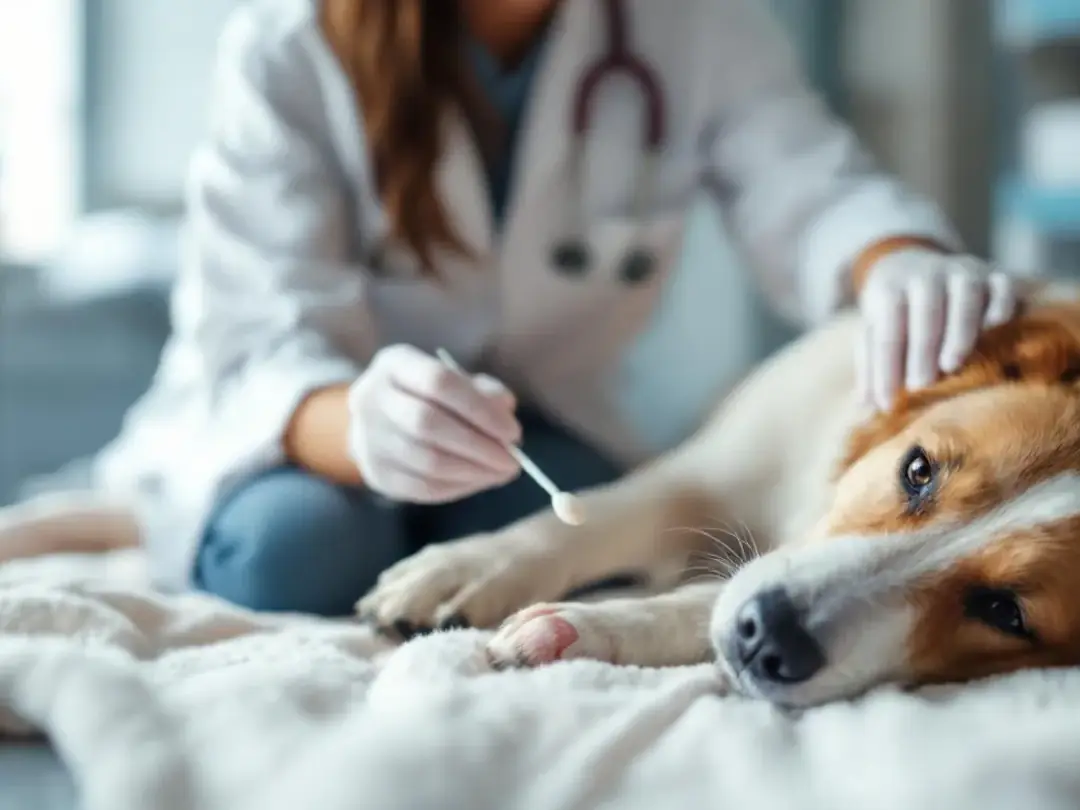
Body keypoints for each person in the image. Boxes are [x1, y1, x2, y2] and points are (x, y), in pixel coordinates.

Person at [94, 0, 1022, 618]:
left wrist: (901, 267)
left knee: (606, 558)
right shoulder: (290, 41)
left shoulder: (690, 27)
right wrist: (367, 428)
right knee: (299, 558)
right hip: (307, 434)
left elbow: (813, 186)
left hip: (526, 433)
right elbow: (257, 339)